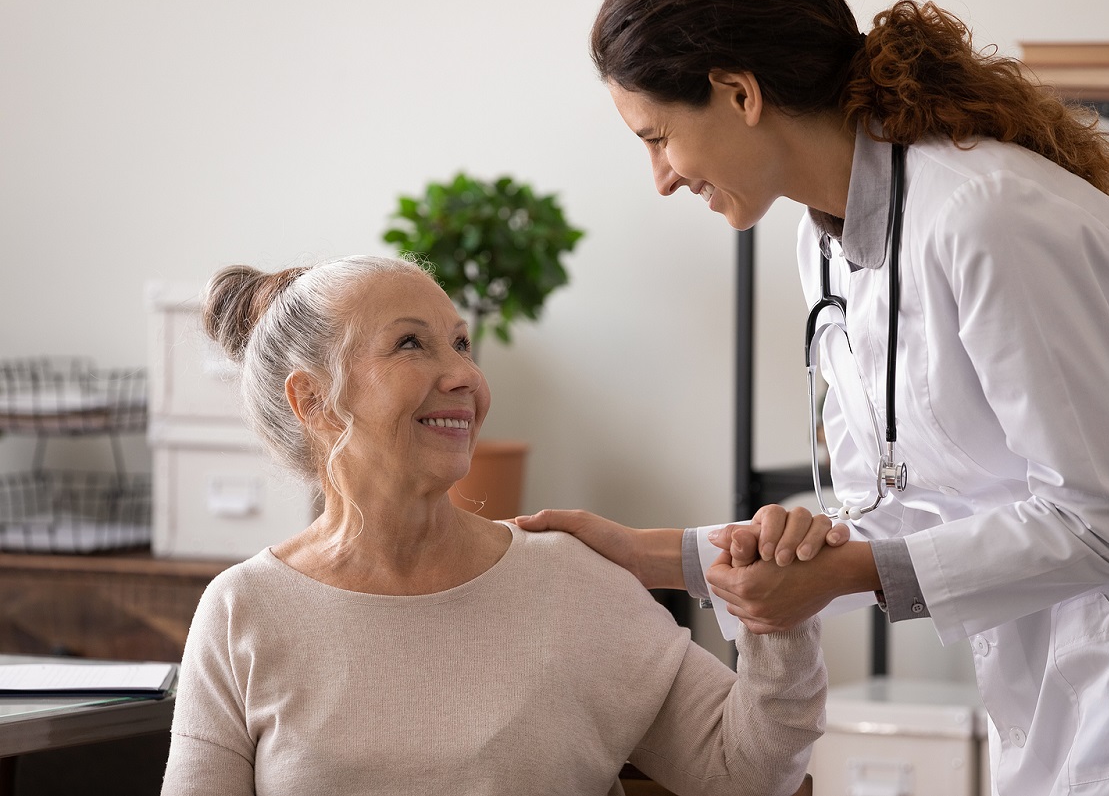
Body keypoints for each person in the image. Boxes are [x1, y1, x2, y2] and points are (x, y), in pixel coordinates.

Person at [515, 0, 1109, 794]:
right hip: (1053, 666)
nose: (662, 176)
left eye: (656, 136)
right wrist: (648, 555)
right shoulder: (825, 244)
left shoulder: (989, 215)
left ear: (738, 92)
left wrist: (849, 570)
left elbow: (1107, 521)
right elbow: (894, 506)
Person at [161, 255, 827, 796]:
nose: (464, 376)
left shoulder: (571, 579)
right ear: (313, 401)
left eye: (459, 343)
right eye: (412, 344)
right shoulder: (242, 610)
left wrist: (779, 619)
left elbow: (748, 774)